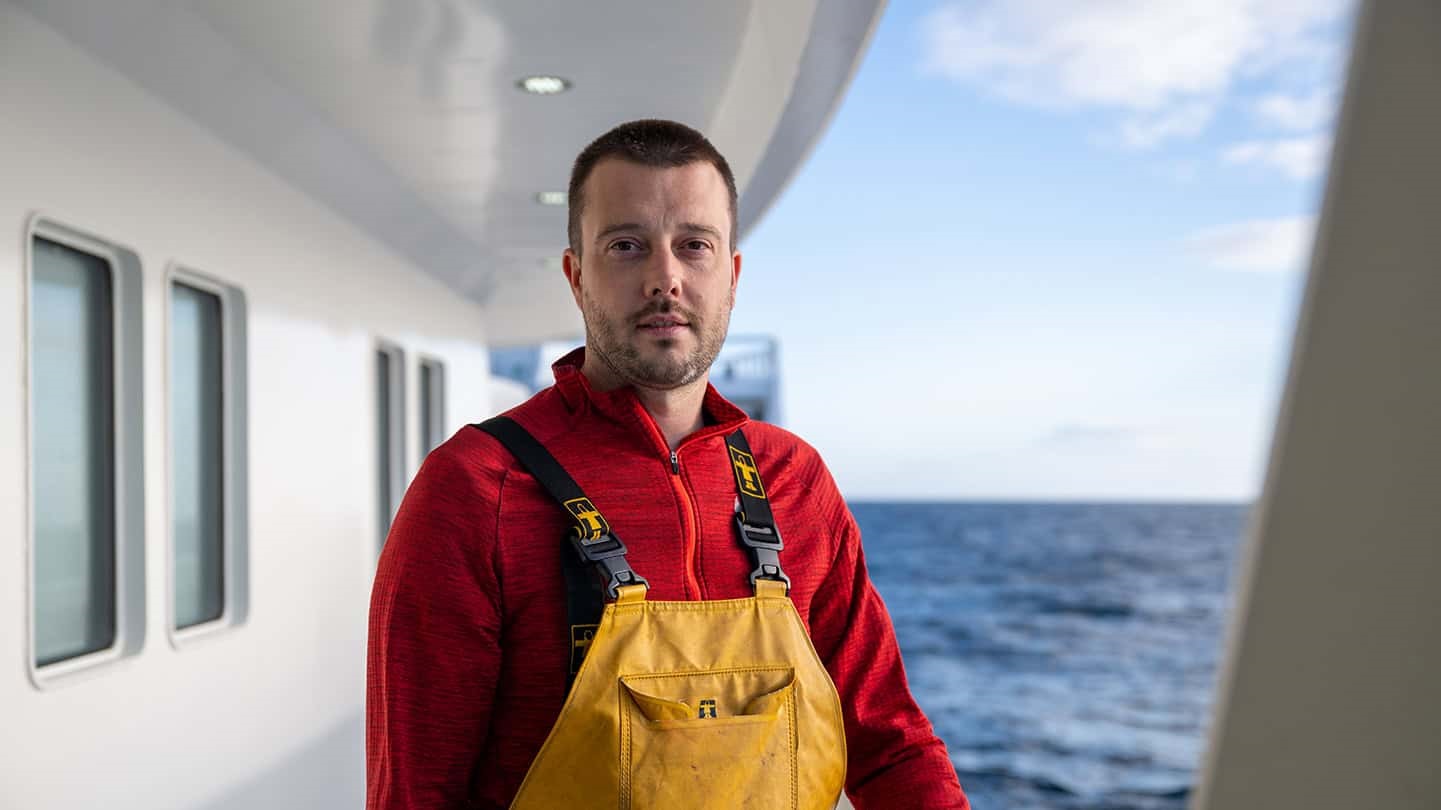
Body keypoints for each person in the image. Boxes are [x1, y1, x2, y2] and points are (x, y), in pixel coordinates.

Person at [366, 119, 969, 809]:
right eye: (626, 246)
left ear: (732, 275)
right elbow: (417, 793)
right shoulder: (477, 486)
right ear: (575, 274)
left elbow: (888, 742)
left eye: (694, 246)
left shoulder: (794, 478)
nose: (665, 278)